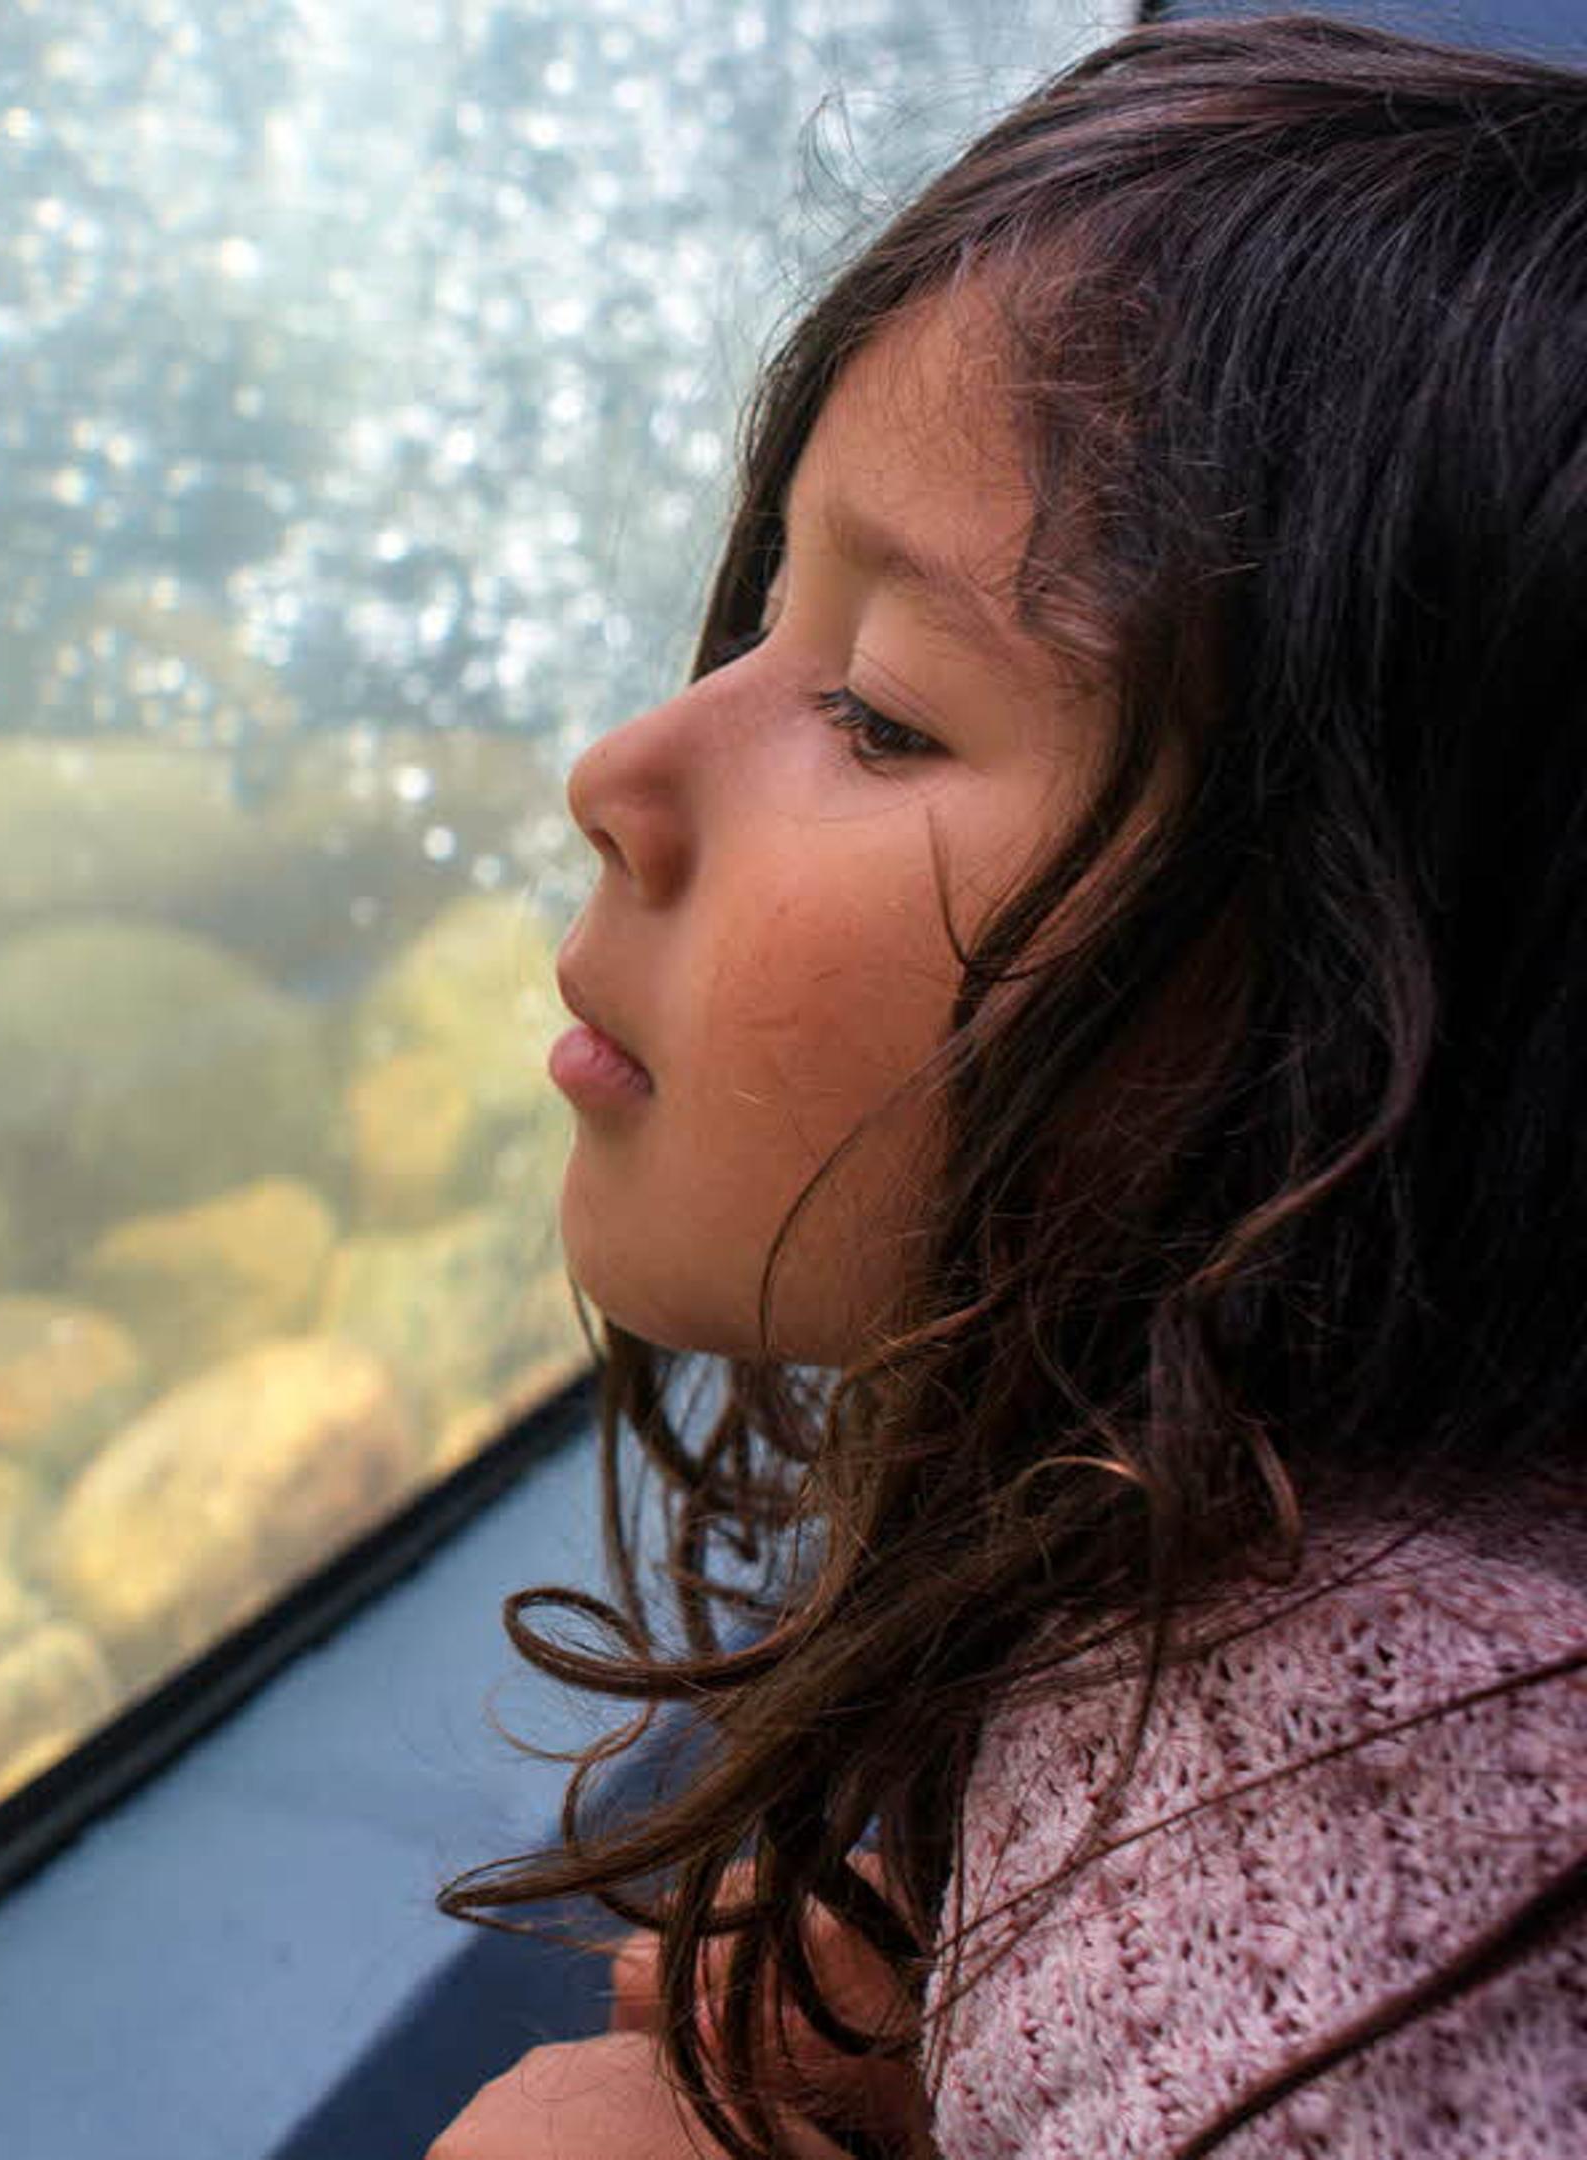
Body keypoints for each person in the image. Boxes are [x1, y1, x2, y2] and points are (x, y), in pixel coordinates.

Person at [424, 16, 1587, 2158]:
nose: (622, 772)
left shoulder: (1335, 1825)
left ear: (1363, 1006)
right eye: (769, 623)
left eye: (873, 714)